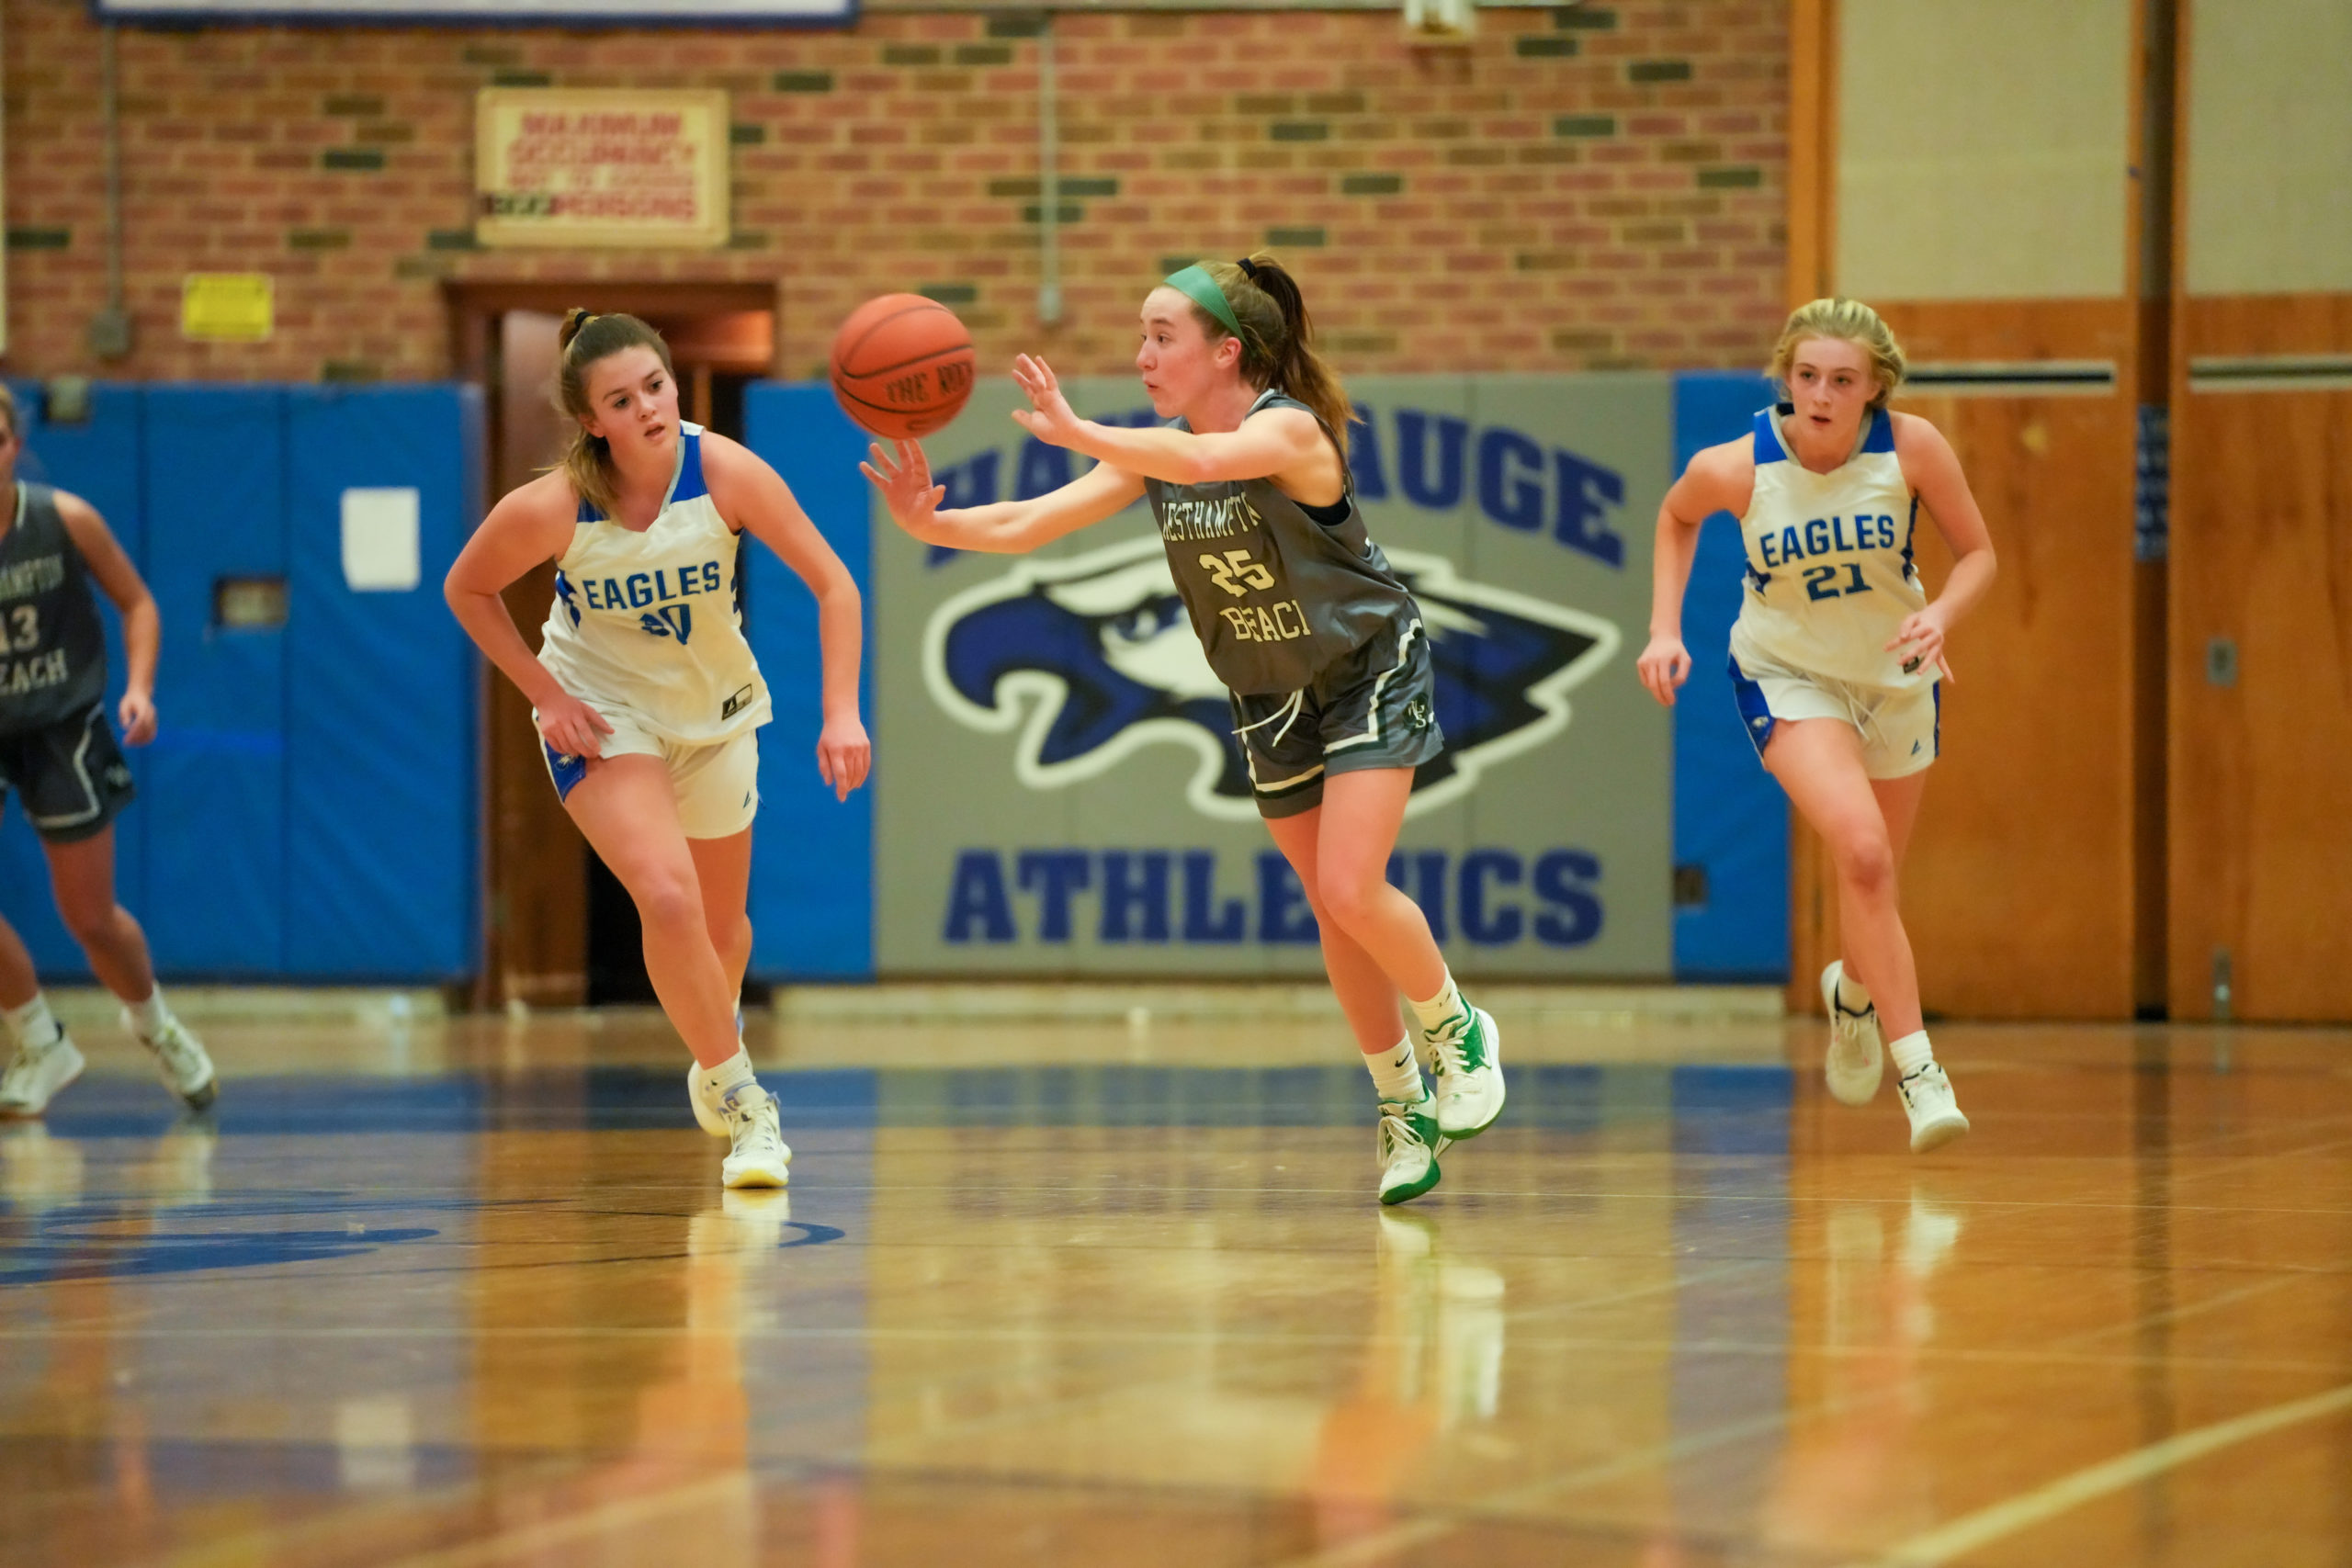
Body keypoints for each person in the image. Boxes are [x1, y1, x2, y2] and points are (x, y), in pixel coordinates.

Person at [863, 254, 1503, 1206]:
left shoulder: (1285, 429)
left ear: (1227, 351)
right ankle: (1398, 1102)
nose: (1143, 353)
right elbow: (1028, 523)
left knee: (1350, 885)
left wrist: (1083, 430)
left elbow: (1205, 460)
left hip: (1364, 666)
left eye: (1162, 335)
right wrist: (928, 525)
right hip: (1266, 689)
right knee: (1332, 912)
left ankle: (1457, 1029)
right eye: (1141, 334)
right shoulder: (1154, 455)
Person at [445, 310, 870, 1189]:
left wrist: (841, 711)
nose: (648, 407)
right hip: (603, 714)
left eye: (656, 386)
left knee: (722, 933)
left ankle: (714, 1049)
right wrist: (547, 694)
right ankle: (749, 1101)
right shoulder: (556, 506)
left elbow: (835, 584)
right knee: (667, 897)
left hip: (714, 712)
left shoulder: (726, 471)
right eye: (621, 399)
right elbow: (468, 587)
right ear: (591, 419)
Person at [1637, 297, 1996, 1151]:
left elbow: (1978, 554)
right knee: (1862, 852)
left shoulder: (1912, 449)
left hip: (1896, 677)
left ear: (1875, 387)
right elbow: (1675, 514)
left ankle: (1856, 997)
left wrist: (1942, 613)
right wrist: (1664, 627)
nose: (1822, 394)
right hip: (1787, 675)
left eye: (1842, 379)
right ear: (1786, 378)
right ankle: (1922, 1076)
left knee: (1877, 882)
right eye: (1807, 376)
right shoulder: (1738, 465)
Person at [0, 387, 218, 1119]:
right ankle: (38, 1038)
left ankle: (155, 1024)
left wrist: (141, 688)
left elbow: (138, 603)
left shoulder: (64, 519)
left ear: (14, 444)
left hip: (63, 722)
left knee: (89, 918)